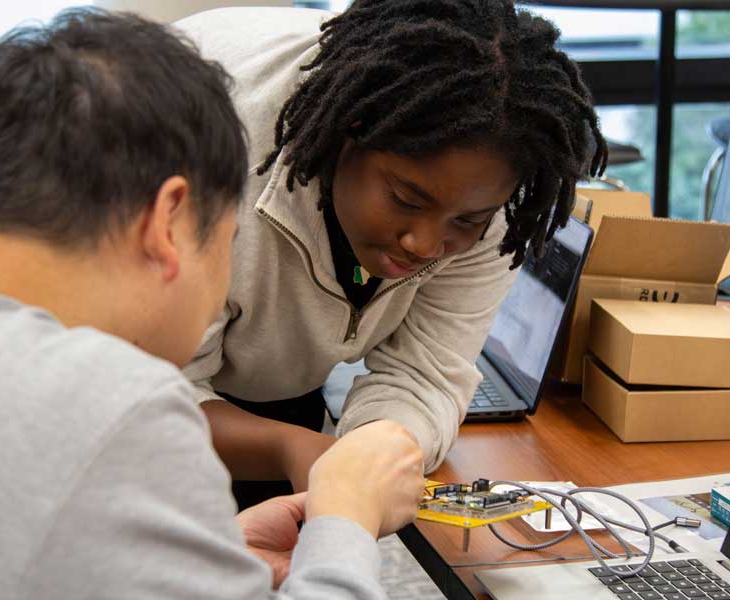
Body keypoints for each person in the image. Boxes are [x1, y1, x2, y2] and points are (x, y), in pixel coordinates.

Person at [0, 9, 424, 599]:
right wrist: (344, 516)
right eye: (227, 244)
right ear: (168, 222)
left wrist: (206, 563)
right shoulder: (115, 404)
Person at [177, 0, 606, 505]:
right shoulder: (211, 166)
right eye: (406, 199)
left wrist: (381, 446)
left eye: (466, 221)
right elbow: (139, 395)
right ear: (343, 137)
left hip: (272, 389)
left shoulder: (497, 196)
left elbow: (426, 373)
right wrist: (289, 448)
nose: (425, 246)